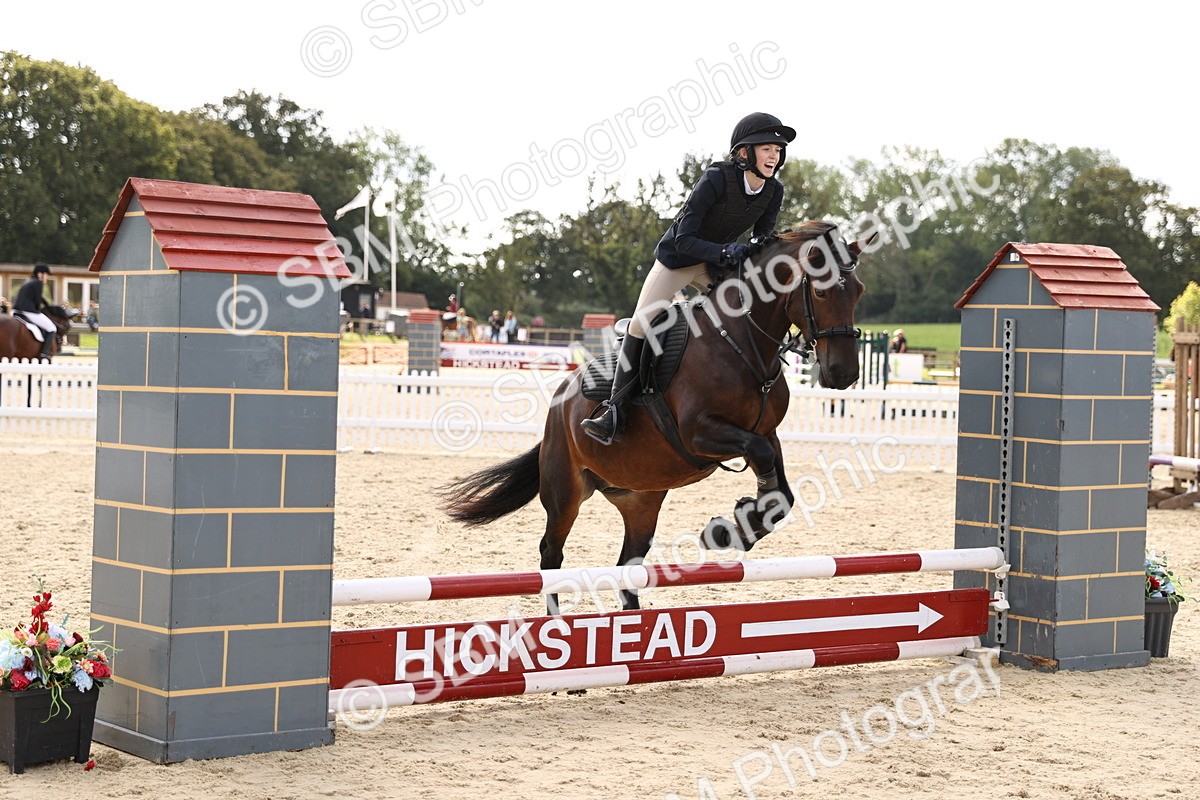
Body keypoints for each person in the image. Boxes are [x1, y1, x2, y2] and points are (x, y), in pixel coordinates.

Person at [581, 112, 795, 445]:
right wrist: (726, 252)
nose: (774, 156)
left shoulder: (773, 191)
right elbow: (684, 238)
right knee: (641, 324)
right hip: (678, 260)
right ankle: (614, 411)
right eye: (767, 148)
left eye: (778, 150)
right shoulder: (716, 178)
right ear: (744, 153)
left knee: (751, 309)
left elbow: (763, 240)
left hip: (717, 267)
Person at [13, 263, 57, 360]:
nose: (47, 277)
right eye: (46, 274)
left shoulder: (28, 282)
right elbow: (37, 301)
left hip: (15, 311)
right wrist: (41, 309)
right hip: (28, 312)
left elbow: (40, 299)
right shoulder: (38, 283)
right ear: (40, 274)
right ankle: (45, 353)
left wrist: (48, 306)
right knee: (52, 328)